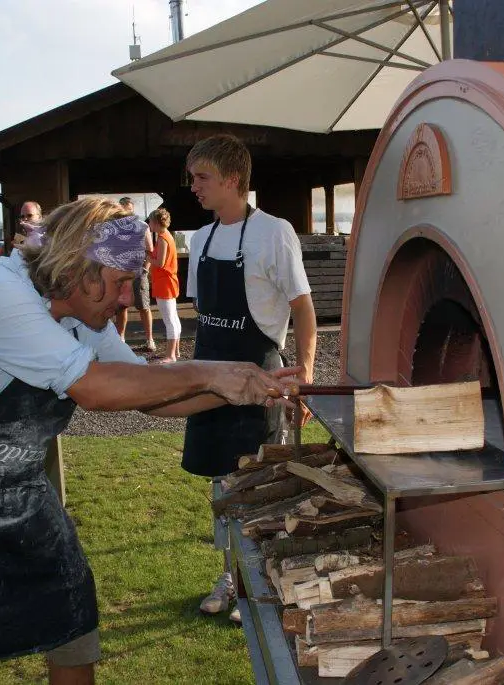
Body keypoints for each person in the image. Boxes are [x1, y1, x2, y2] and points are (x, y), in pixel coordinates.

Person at [0, 196, 299, 685]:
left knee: (72, 624)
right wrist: (209, 372)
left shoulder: (80, 315)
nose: (127, 299)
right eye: (121, 282)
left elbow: (151, 394)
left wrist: (244, 387)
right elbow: (95, 389)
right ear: (79, 269)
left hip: (20, 488)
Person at [183, 134, 318, 620]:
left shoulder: (274, 232)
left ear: (233, 179)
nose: (194, 187)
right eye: (193, 178)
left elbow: (303, 309)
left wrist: (304, 375)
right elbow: (204, 313)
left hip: (260, 380)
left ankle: (255, 579)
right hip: (210, 379)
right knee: (222, 487)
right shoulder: (200, 239)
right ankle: (228, 575)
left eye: (202, 177)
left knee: (258, 484)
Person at [114, 197, 155, 351]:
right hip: (120, 274)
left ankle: (150, 339)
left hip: (138, 273)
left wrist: (145, 270)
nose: (126, 212)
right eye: (123, 209)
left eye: (129, 209)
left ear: (133, 210)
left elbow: (150, 251)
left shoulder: (142, 226)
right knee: (121, 307)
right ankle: (121, 339)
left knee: (144, 306)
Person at [147, 208, 180, 363]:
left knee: (169, 320)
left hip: (164, 282)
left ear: (155, 222)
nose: (149, 224)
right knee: (173, 317)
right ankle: (175, 351)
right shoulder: (167, 235)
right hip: (168, 281)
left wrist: (146, 256)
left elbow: (160, 263)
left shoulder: (162, 238)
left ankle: (171, 354)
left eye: (150, 221)